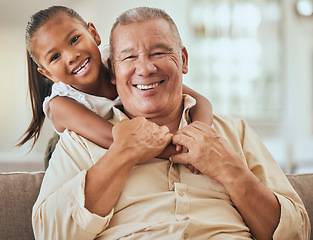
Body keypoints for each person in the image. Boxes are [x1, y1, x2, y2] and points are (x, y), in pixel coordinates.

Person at [32, 6, 310, 240]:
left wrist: (230, 170)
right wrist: (122, 154)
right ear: (113, 71)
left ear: (184, 60)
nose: (145, 68)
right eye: (129, 57)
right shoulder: (77, 138)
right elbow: (49, 232)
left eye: (159, 53)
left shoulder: (235, 132)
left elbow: (296, 232)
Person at [18, 6, 213, 166]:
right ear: (48, 73)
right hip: (76, 152)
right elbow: (118, 140)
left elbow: (200, 102)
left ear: (93, 34)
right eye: (55, 57)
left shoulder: (121, 61)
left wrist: (199, 138)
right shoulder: (61, 104)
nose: (71, 56)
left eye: (74, 39)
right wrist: (182, 151)